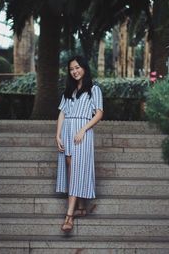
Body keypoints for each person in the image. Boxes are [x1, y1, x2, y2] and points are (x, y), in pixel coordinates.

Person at [56, 55, 103, 232]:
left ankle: (69, 216)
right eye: (71, 69)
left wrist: (83, 129)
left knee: (76, 169)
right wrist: (57, 135)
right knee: (70, 169)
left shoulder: (94, 89)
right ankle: (82, 207)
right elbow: (62, 113)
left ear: (84, 68)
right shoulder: (69, 90)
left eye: (77, 67)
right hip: (67, 131)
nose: (74, 71)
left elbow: (99, 113)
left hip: (82, 133)